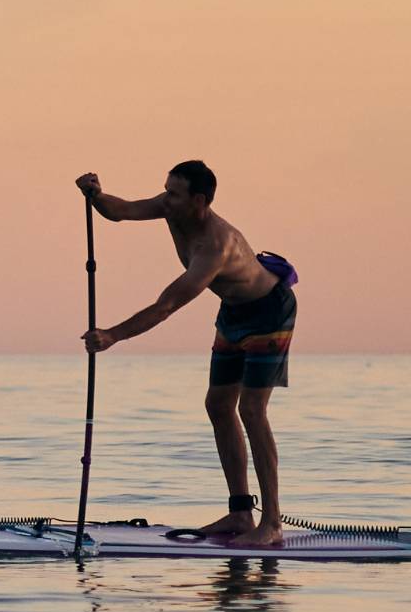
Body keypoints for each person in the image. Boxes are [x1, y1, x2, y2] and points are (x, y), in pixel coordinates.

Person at [77, 160, 299, 542]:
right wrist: (96, 195)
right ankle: (240, 514)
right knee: (217, 406)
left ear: (199, 200)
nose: (165, 198)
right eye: (165, 189)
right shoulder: (169, 208)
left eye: (174, 193)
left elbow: (167, 306)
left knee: (251, 409)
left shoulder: (216, 245)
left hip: (268, 312)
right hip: (233, 312)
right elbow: (123, 210)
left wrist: (113, 335)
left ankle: (272, 523)